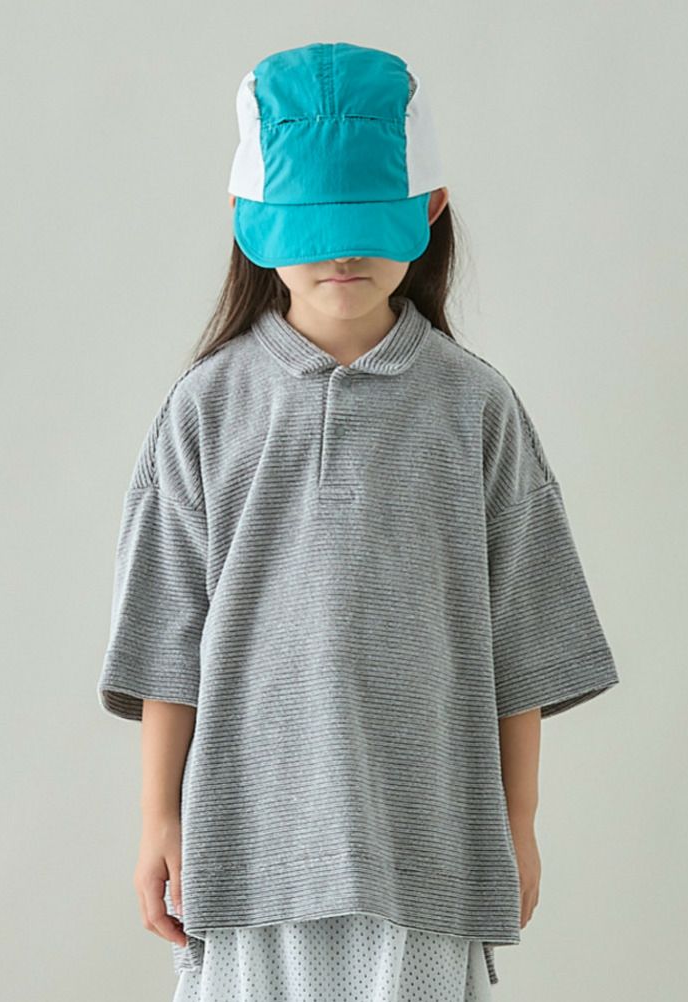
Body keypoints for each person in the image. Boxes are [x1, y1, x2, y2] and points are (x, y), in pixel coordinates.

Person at [97, 41, 621, 1002]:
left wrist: (519, 822)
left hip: (427, 844)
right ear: (248, 221)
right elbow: (167, 636)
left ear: (430, 209)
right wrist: (156, 821)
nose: (341, 254)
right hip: (248, 845)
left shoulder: (475, 407)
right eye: (313, 225)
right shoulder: (206, 407)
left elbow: (524, 635)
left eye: (367, 224)